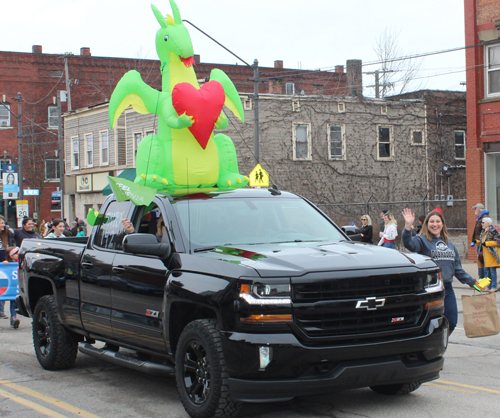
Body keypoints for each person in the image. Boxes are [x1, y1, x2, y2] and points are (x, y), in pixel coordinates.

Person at [402, 208, 476, 335]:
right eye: (431, 221)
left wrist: (475, 284)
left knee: (451, 322)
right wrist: (408, 226)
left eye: (438, 221)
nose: (435, 224)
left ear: (442, 224)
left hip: (447, 289)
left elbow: (457, 269)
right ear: (427, 224)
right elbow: (409, 244)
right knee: (427, 325)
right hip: (428, 290)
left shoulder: (449, 244)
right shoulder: (422, 240)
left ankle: (440, 345)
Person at [477, 217, 500, 293]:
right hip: (485, 255)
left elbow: (498, 242)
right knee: (487, 271)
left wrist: (487, 243)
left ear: (488, 223)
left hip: (492, 255)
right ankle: (488, 286)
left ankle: (494, 286)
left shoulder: (493, 231)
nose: (482, 224)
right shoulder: (484, 231)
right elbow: (482, 242)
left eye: (483, 223)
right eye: (482, 222)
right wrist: (476, 242)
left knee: (492, 271)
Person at [470, 203, 489, 279]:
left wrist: (481, 241)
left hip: (482, 243)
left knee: (482, 261)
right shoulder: (480, 218)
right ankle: (482, 278)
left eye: (476, 208)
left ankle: (483, 278)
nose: (475, 210)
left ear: (479, 209)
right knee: (480, 261)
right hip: (478, 243)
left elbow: (485, 232)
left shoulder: (484, 219)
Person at [4, 246, 20, 328]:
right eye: (16, 253)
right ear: (11, 255)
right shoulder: (8, 263)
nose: (18, 255)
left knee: (16, 303)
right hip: (11, 287)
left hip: (18, 286)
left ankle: (13, 318)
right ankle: (14, 317)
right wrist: (5, 264)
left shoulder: (20, 261)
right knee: (13, 303)